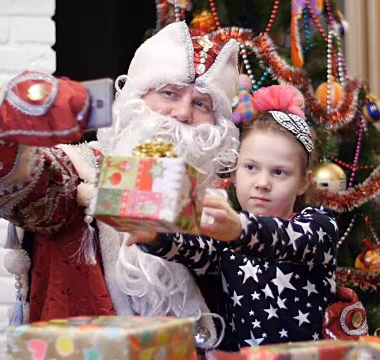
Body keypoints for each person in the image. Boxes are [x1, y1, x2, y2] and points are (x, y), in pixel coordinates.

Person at [0, 21, 240, 338]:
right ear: (136, 98)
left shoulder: (219, 206)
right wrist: (8, 123)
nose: (182, 113)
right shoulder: (81, 169)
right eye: (169, 93)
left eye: (200, 104)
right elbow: (31, 181)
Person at [129, 85, 339, 350]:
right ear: (235, 171)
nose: (262, 182)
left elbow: (282, 239)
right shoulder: (227, 232)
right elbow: (197, 249)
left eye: (279, 172)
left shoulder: (318, 224)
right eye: (251, 168)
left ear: (303, 183)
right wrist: (155, 237)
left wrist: (237, 229)